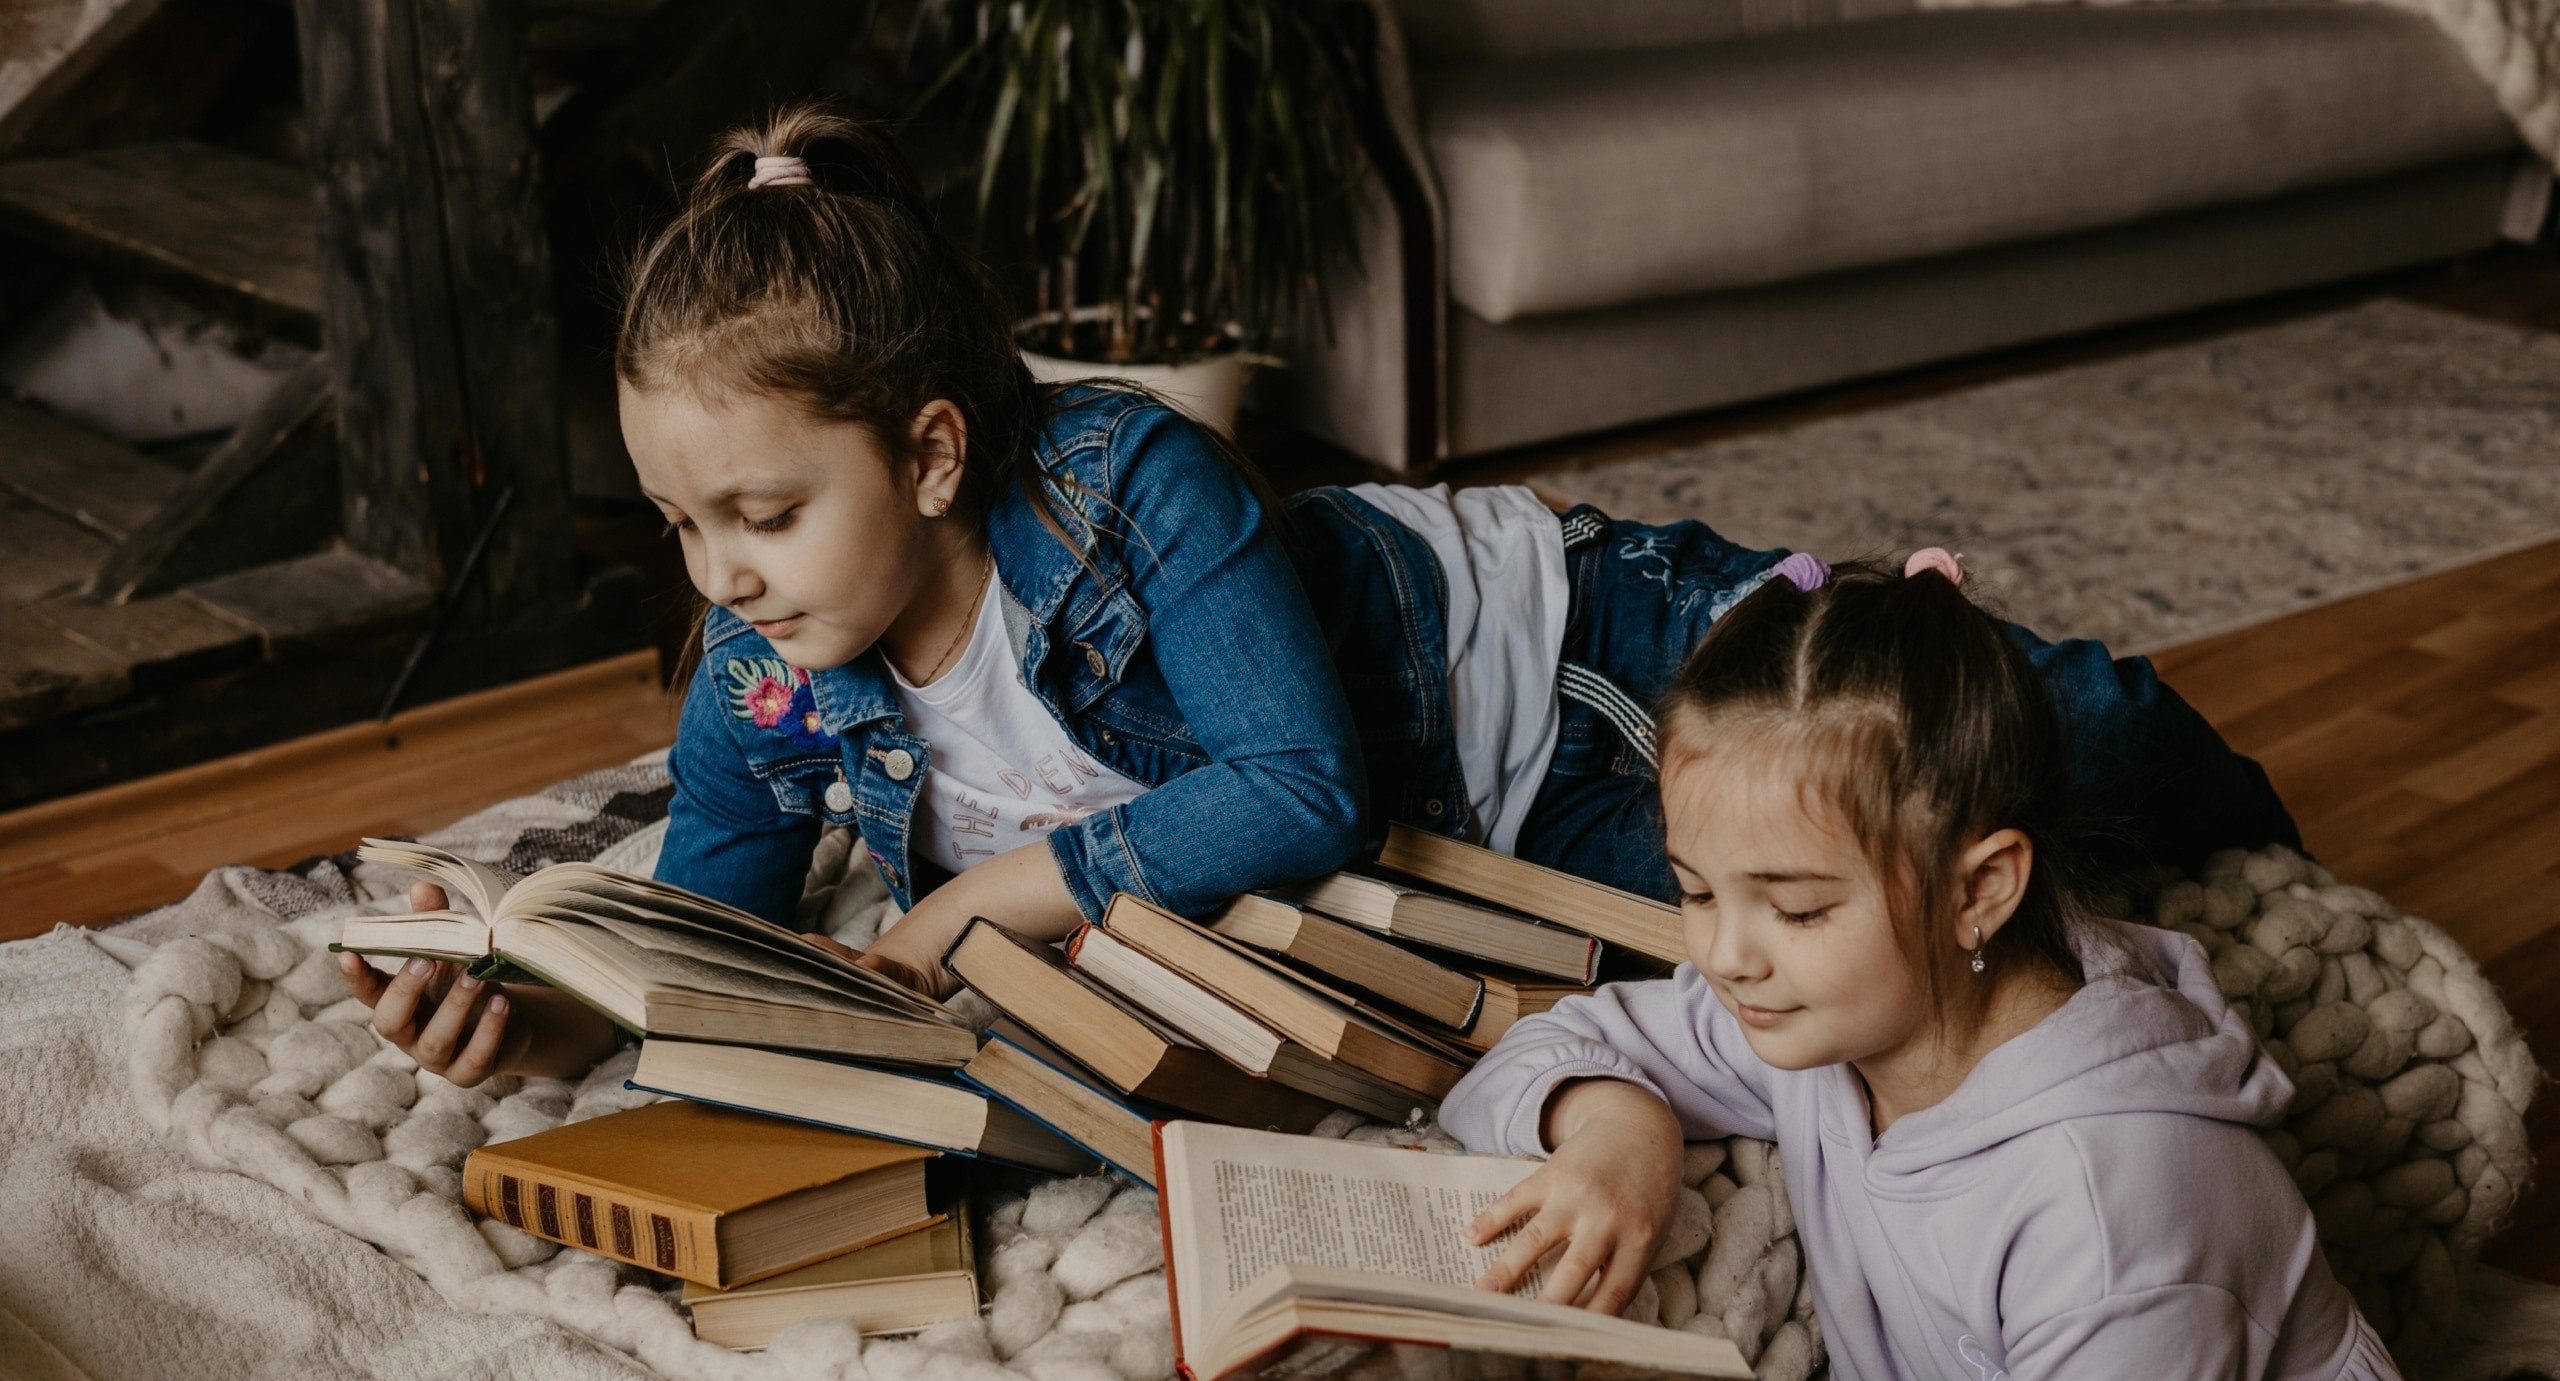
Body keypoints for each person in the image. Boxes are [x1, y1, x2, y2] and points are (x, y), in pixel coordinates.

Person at [337, 103, 2297, 1093]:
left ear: (930, 455)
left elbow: (1299, 788)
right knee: (1762, 966)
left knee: (1992, 762)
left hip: (1563, 671)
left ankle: (2148, 761)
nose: (719, 577)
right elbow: (713, 928)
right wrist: (553, 1011)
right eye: (678, 525)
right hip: (1469, 845)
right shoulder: (768, 670)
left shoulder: (1126, 481)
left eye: (761, 515)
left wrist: (973, 902)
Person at [1438, 559, 2510, 1381]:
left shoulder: (2114, 1202)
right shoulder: (1823, 1005)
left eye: (1795, 906)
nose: (1725, 953)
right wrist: (1618, 1134)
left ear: (1980, 888)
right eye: (1696, 890)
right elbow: (1556, 1041)